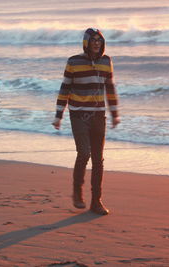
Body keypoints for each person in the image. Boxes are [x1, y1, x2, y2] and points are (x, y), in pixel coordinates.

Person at [52, 28, 120, 215]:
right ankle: (77, 191)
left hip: (99, 115)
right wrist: (59, 115)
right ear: (86, 42)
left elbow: (110, 88)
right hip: (79, 115)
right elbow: (64, 88)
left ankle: (96, 201)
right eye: (93, 40)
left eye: (100, 40)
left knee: (98, 159)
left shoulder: (107, 61)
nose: (97, 43)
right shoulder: (73, 62)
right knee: (84, 153)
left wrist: (114, 113)